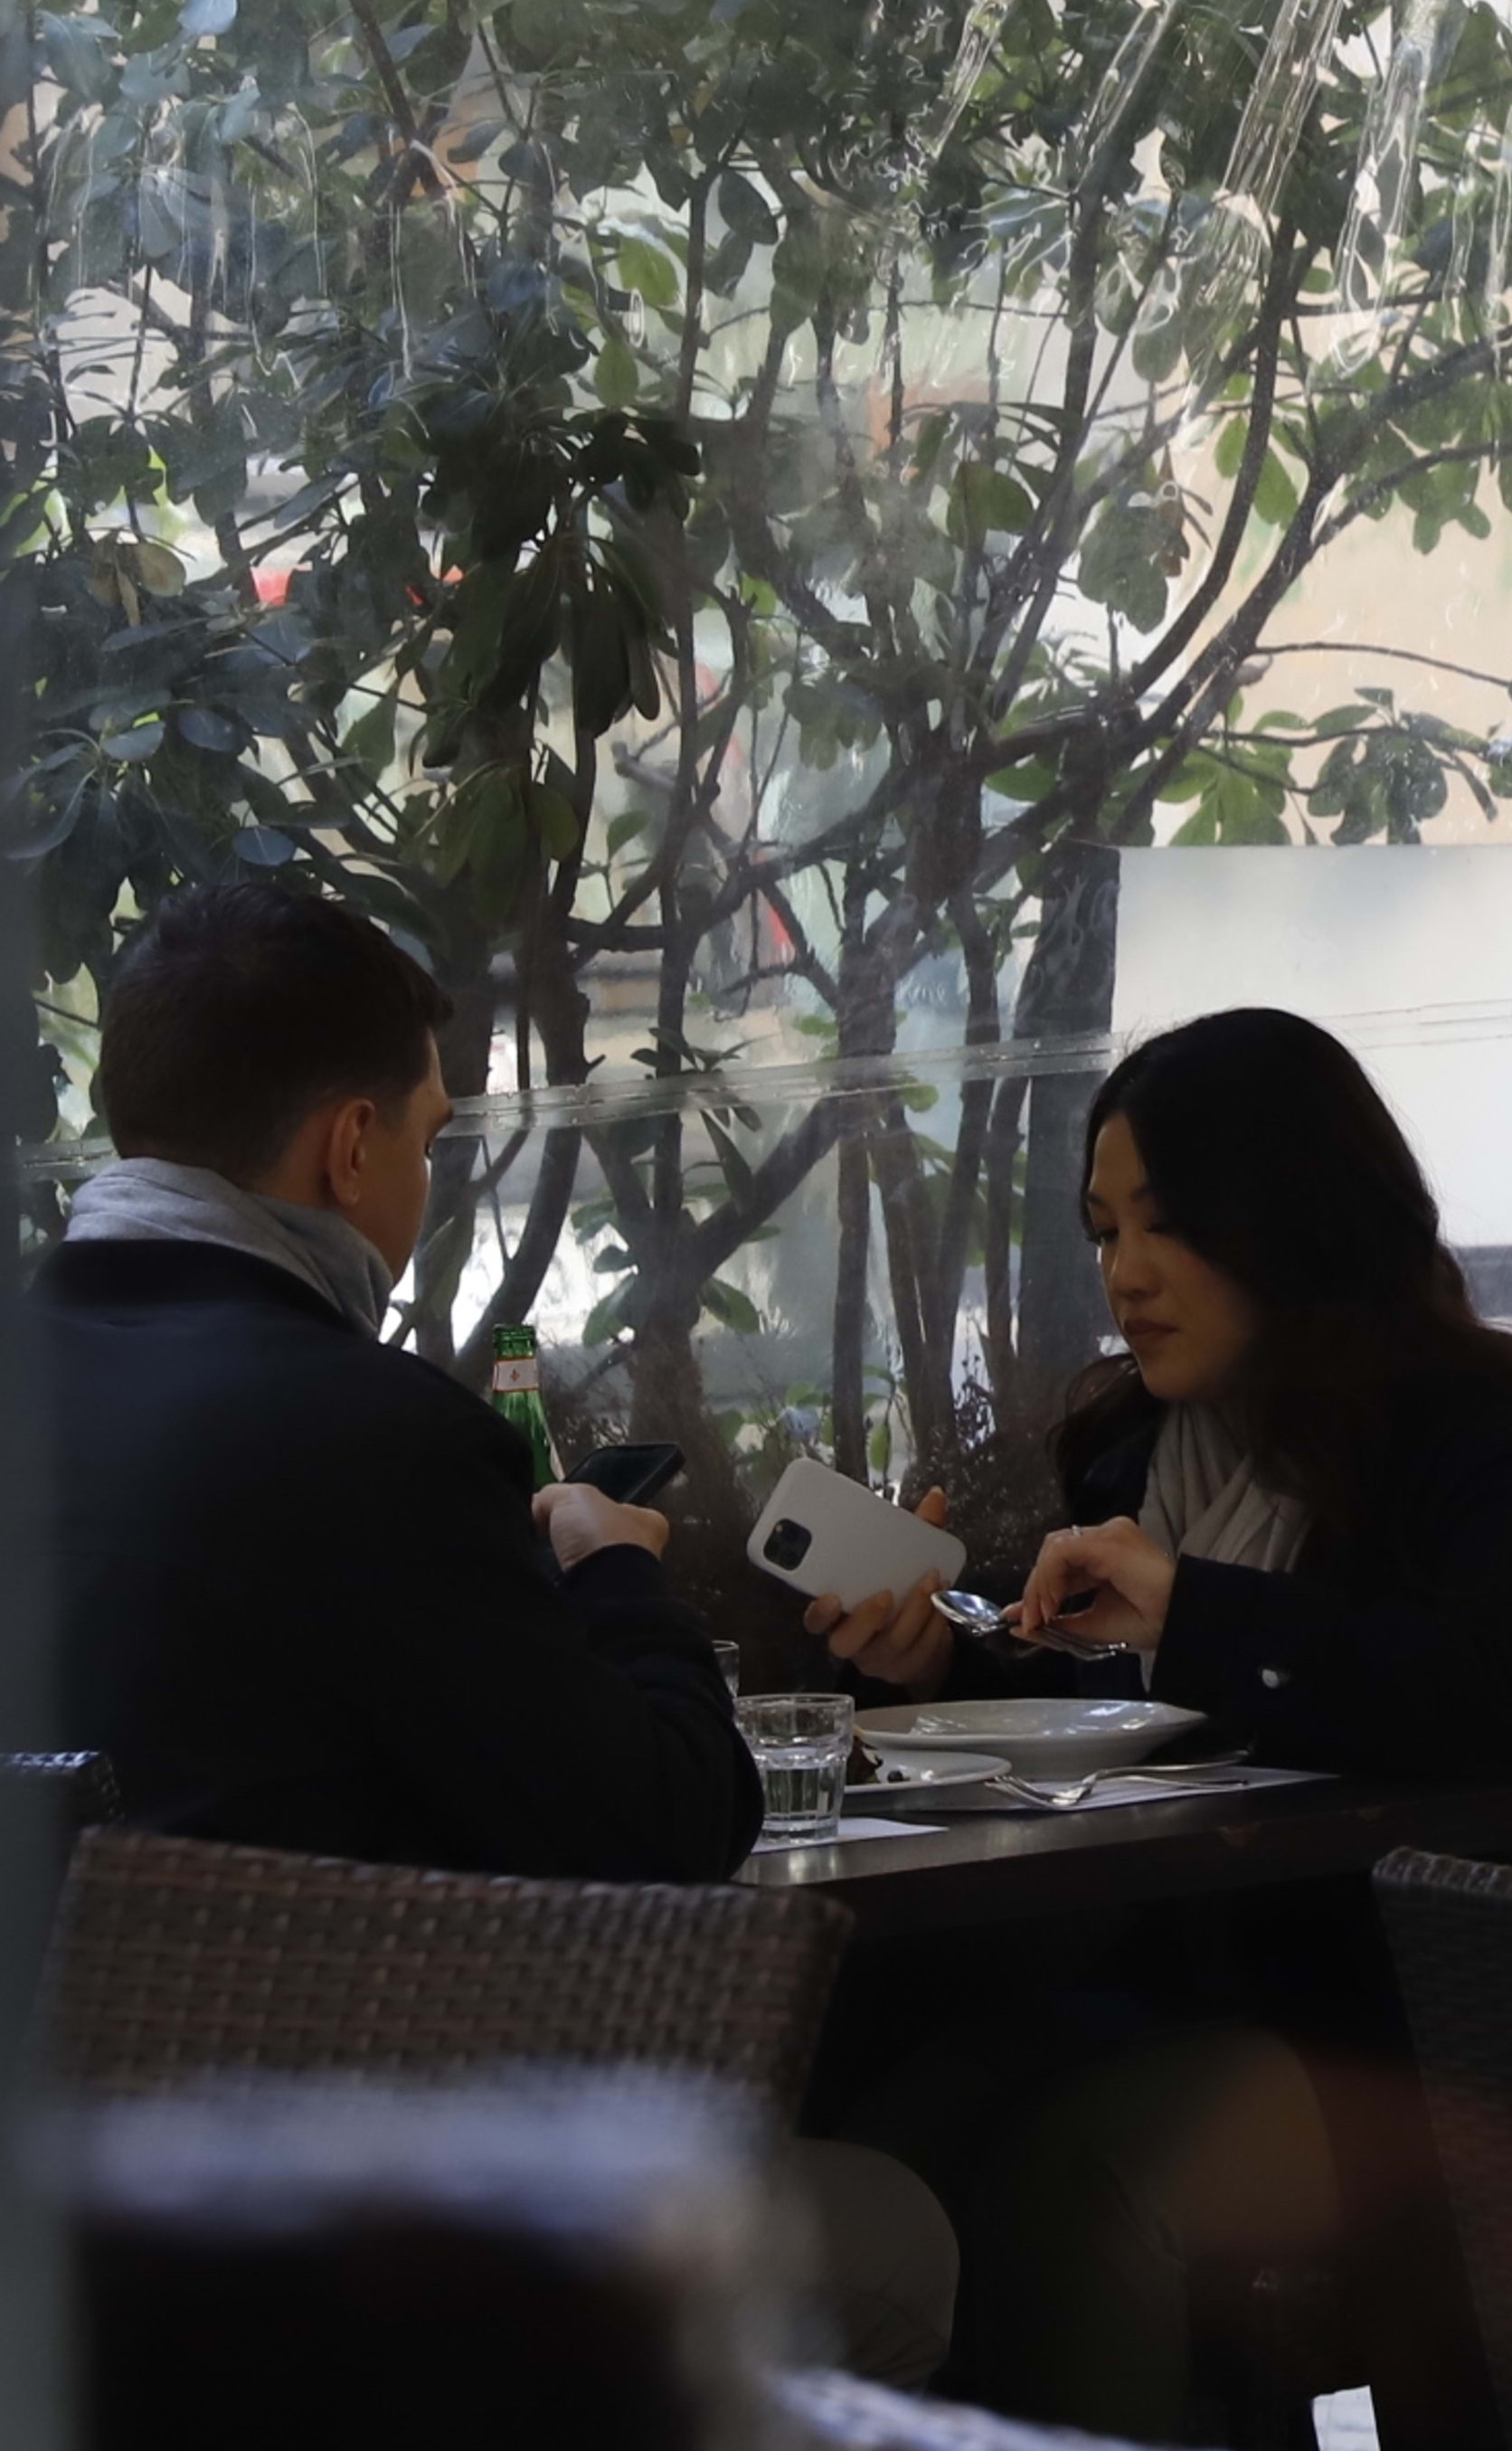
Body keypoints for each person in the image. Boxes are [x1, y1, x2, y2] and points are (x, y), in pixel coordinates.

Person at [41, 882, 954, 2390]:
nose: (420, 1179)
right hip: (314, 2275)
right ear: (351, 1148)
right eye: (428, 1135)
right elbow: (666, 1832)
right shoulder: (358, 1437)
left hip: (61, 2273)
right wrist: (609, 1574)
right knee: (896, 2233)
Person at [817, 1007, 1512, 2442]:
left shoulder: (1462, 1431)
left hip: (1413, 2025)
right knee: (888, 2120)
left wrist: (1197, 1612)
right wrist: (940, 1660)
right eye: (1103, 1232)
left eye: (1165, 1226)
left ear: (1289, 1219)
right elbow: (1136, 1718)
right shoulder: (1154, 1447)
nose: (1125, 1275)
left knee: (1081, 2178)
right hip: (1189, 1979)